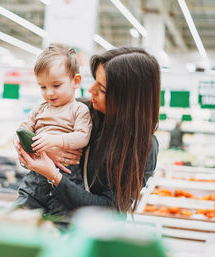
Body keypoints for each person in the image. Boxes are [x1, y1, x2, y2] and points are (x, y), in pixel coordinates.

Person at [17, 47, 160, 213]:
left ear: (128, 99)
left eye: (102, 88)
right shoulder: (79, 109)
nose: (92, 89)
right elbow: (26, 149)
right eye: (94, 81)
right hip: (37, 203)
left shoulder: (143, 147)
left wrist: (54, 176)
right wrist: (44, 152)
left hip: (82, 227)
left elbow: (110, 209)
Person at [14, 43, 92, 215]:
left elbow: (82, 137)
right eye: (43, 87)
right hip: (36, 177)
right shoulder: (40, 109)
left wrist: (54, 141)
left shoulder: (79, 109)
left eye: (56, 86)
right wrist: (17, 140)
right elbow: (23, 128)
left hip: (66, 175)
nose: (49, 93)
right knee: (18, 216)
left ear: (76, 81)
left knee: (61, 222)